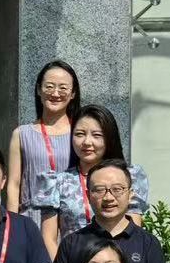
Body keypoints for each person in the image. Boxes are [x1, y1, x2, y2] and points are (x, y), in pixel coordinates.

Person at [51, 161, 170, 263]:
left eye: (117, 189)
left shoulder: (148, 243)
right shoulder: (72, 243)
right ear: (88, 195)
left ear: (130, 194)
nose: (108, 197)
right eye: (99, 190)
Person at [37, 105, 153, 255]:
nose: (87, 142)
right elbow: (48, 239)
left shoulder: (130, 176)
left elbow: (133, 234)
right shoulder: (57, 182)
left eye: (96, 135)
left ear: (109, 138)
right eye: (80, 134)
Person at [8, 60, 80, 214]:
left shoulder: (80, 133)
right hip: (32, 218)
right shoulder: (22, 134)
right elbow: (13, 185)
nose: (55, 93)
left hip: (71, 219)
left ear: (73, 93)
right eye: (49, 86)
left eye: (63, 88)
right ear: (39, 90)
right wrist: (13, 222)